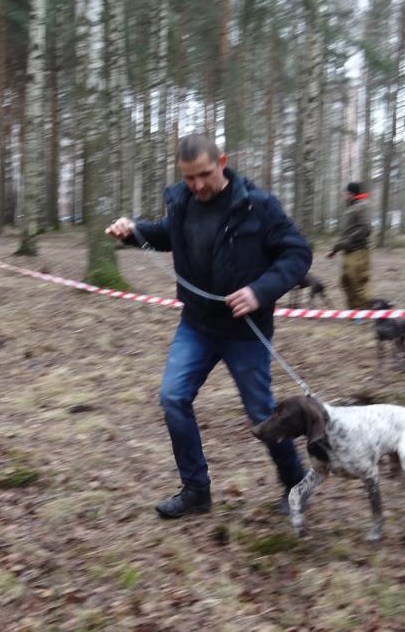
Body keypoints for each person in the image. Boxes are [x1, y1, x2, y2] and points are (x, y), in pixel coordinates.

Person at [105, 134, 313, 519]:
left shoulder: (258, 205)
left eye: (204, 174)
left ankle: (295, 483)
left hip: (245, 330)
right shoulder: (182, 203)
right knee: (173, 397)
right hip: (197, 325)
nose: (197, 185)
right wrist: (132, 231)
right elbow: (167, 234)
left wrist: (260, 291)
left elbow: (297, 253)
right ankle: (196, 490)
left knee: (261, 412)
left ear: (222, 162)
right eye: (189, 178)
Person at [326, 181, 372, 309]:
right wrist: (335, 249)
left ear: (351, 193)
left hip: (358, 251)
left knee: (358, 283)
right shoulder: (350, 208)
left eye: (345, 193)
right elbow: (346, 233)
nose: (344, 195)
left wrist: (347, 241)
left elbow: (366, 228)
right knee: (346, 282)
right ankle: (353, 311)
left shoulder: (363, 206)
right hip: (348, 251)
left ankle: (362, 313)